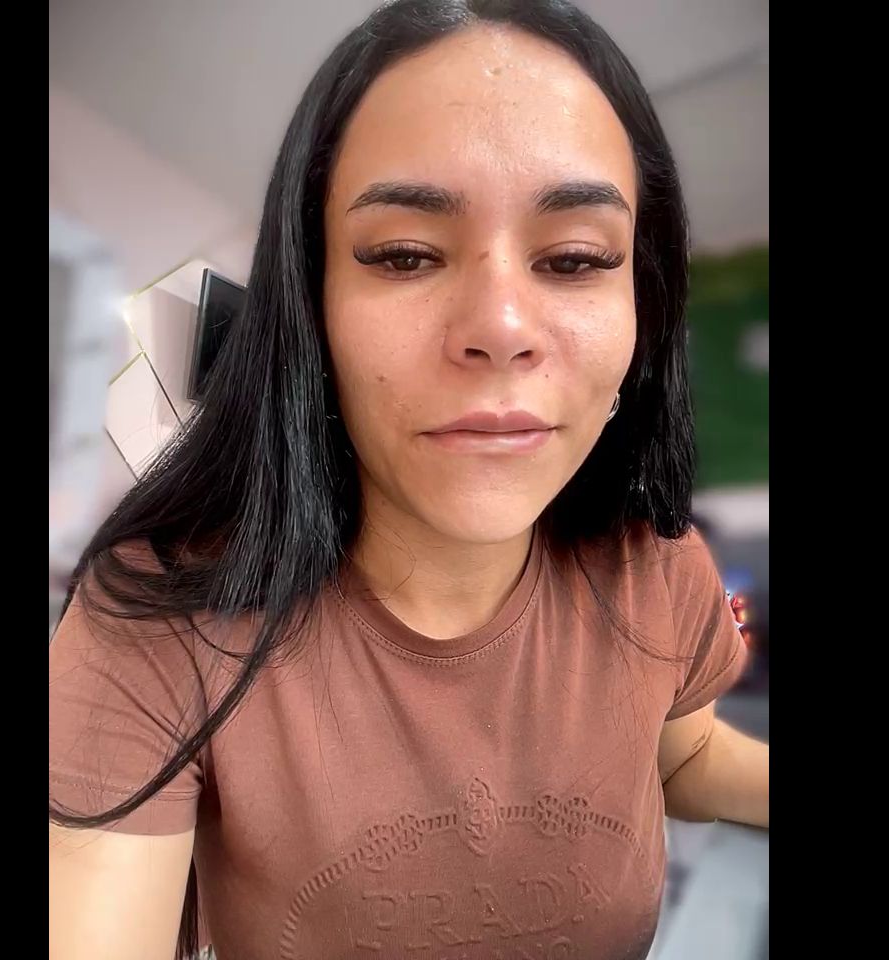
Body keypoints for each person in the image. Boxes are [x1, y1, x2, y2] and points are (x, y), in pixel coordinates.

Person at [48, 2, 769, 958]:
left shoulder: (657, 568)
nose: (501, 326)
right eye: (403, 254)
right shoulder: (159, 628)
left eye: (575, 259)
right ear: (312, 306)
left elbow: (685, 754)